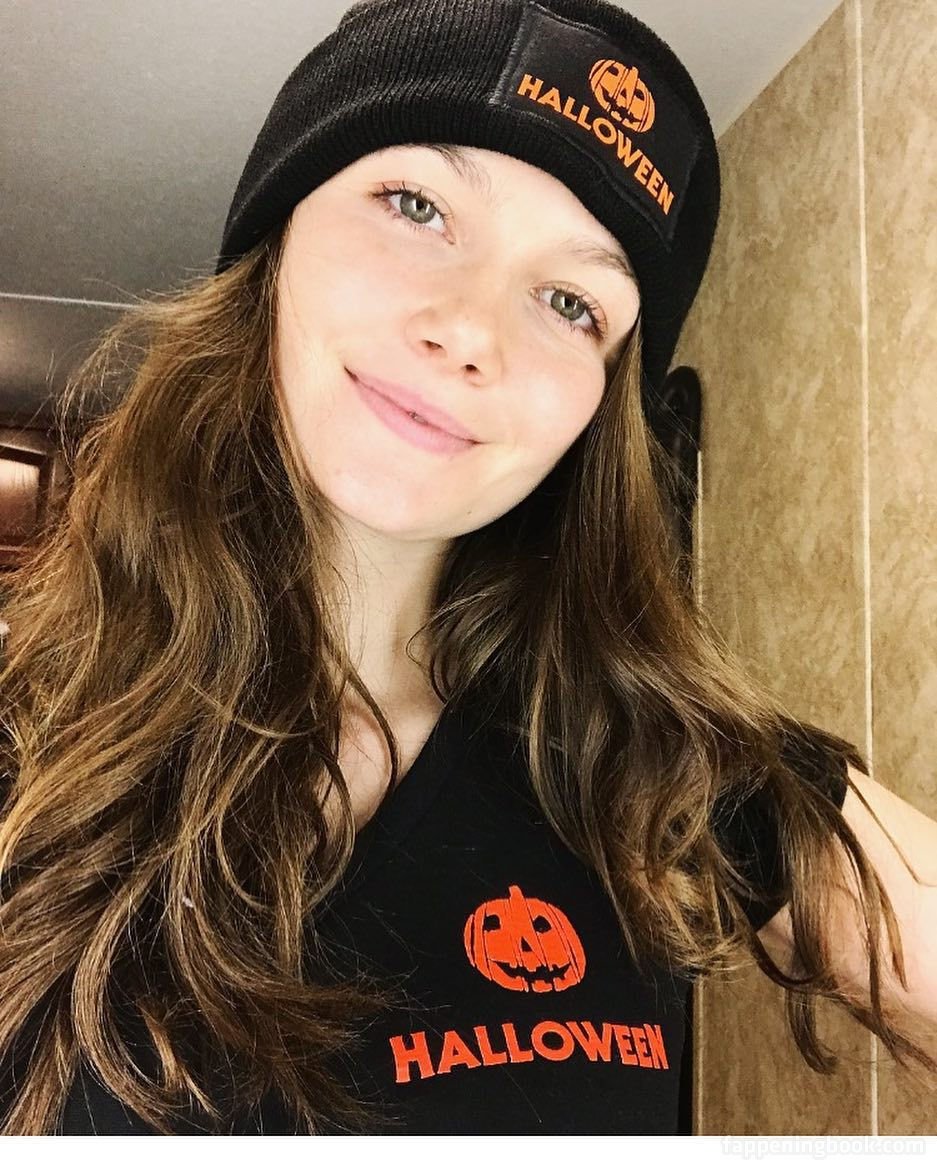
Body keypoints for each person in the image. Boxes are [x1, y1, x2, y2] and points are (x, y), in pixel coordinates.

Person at [1, 0, 935, 1138]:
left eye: (570, 301)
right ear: (277, 240)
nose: (470, 331)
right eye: (416, 205)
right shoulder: (21, 745)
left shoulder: (660, 763)